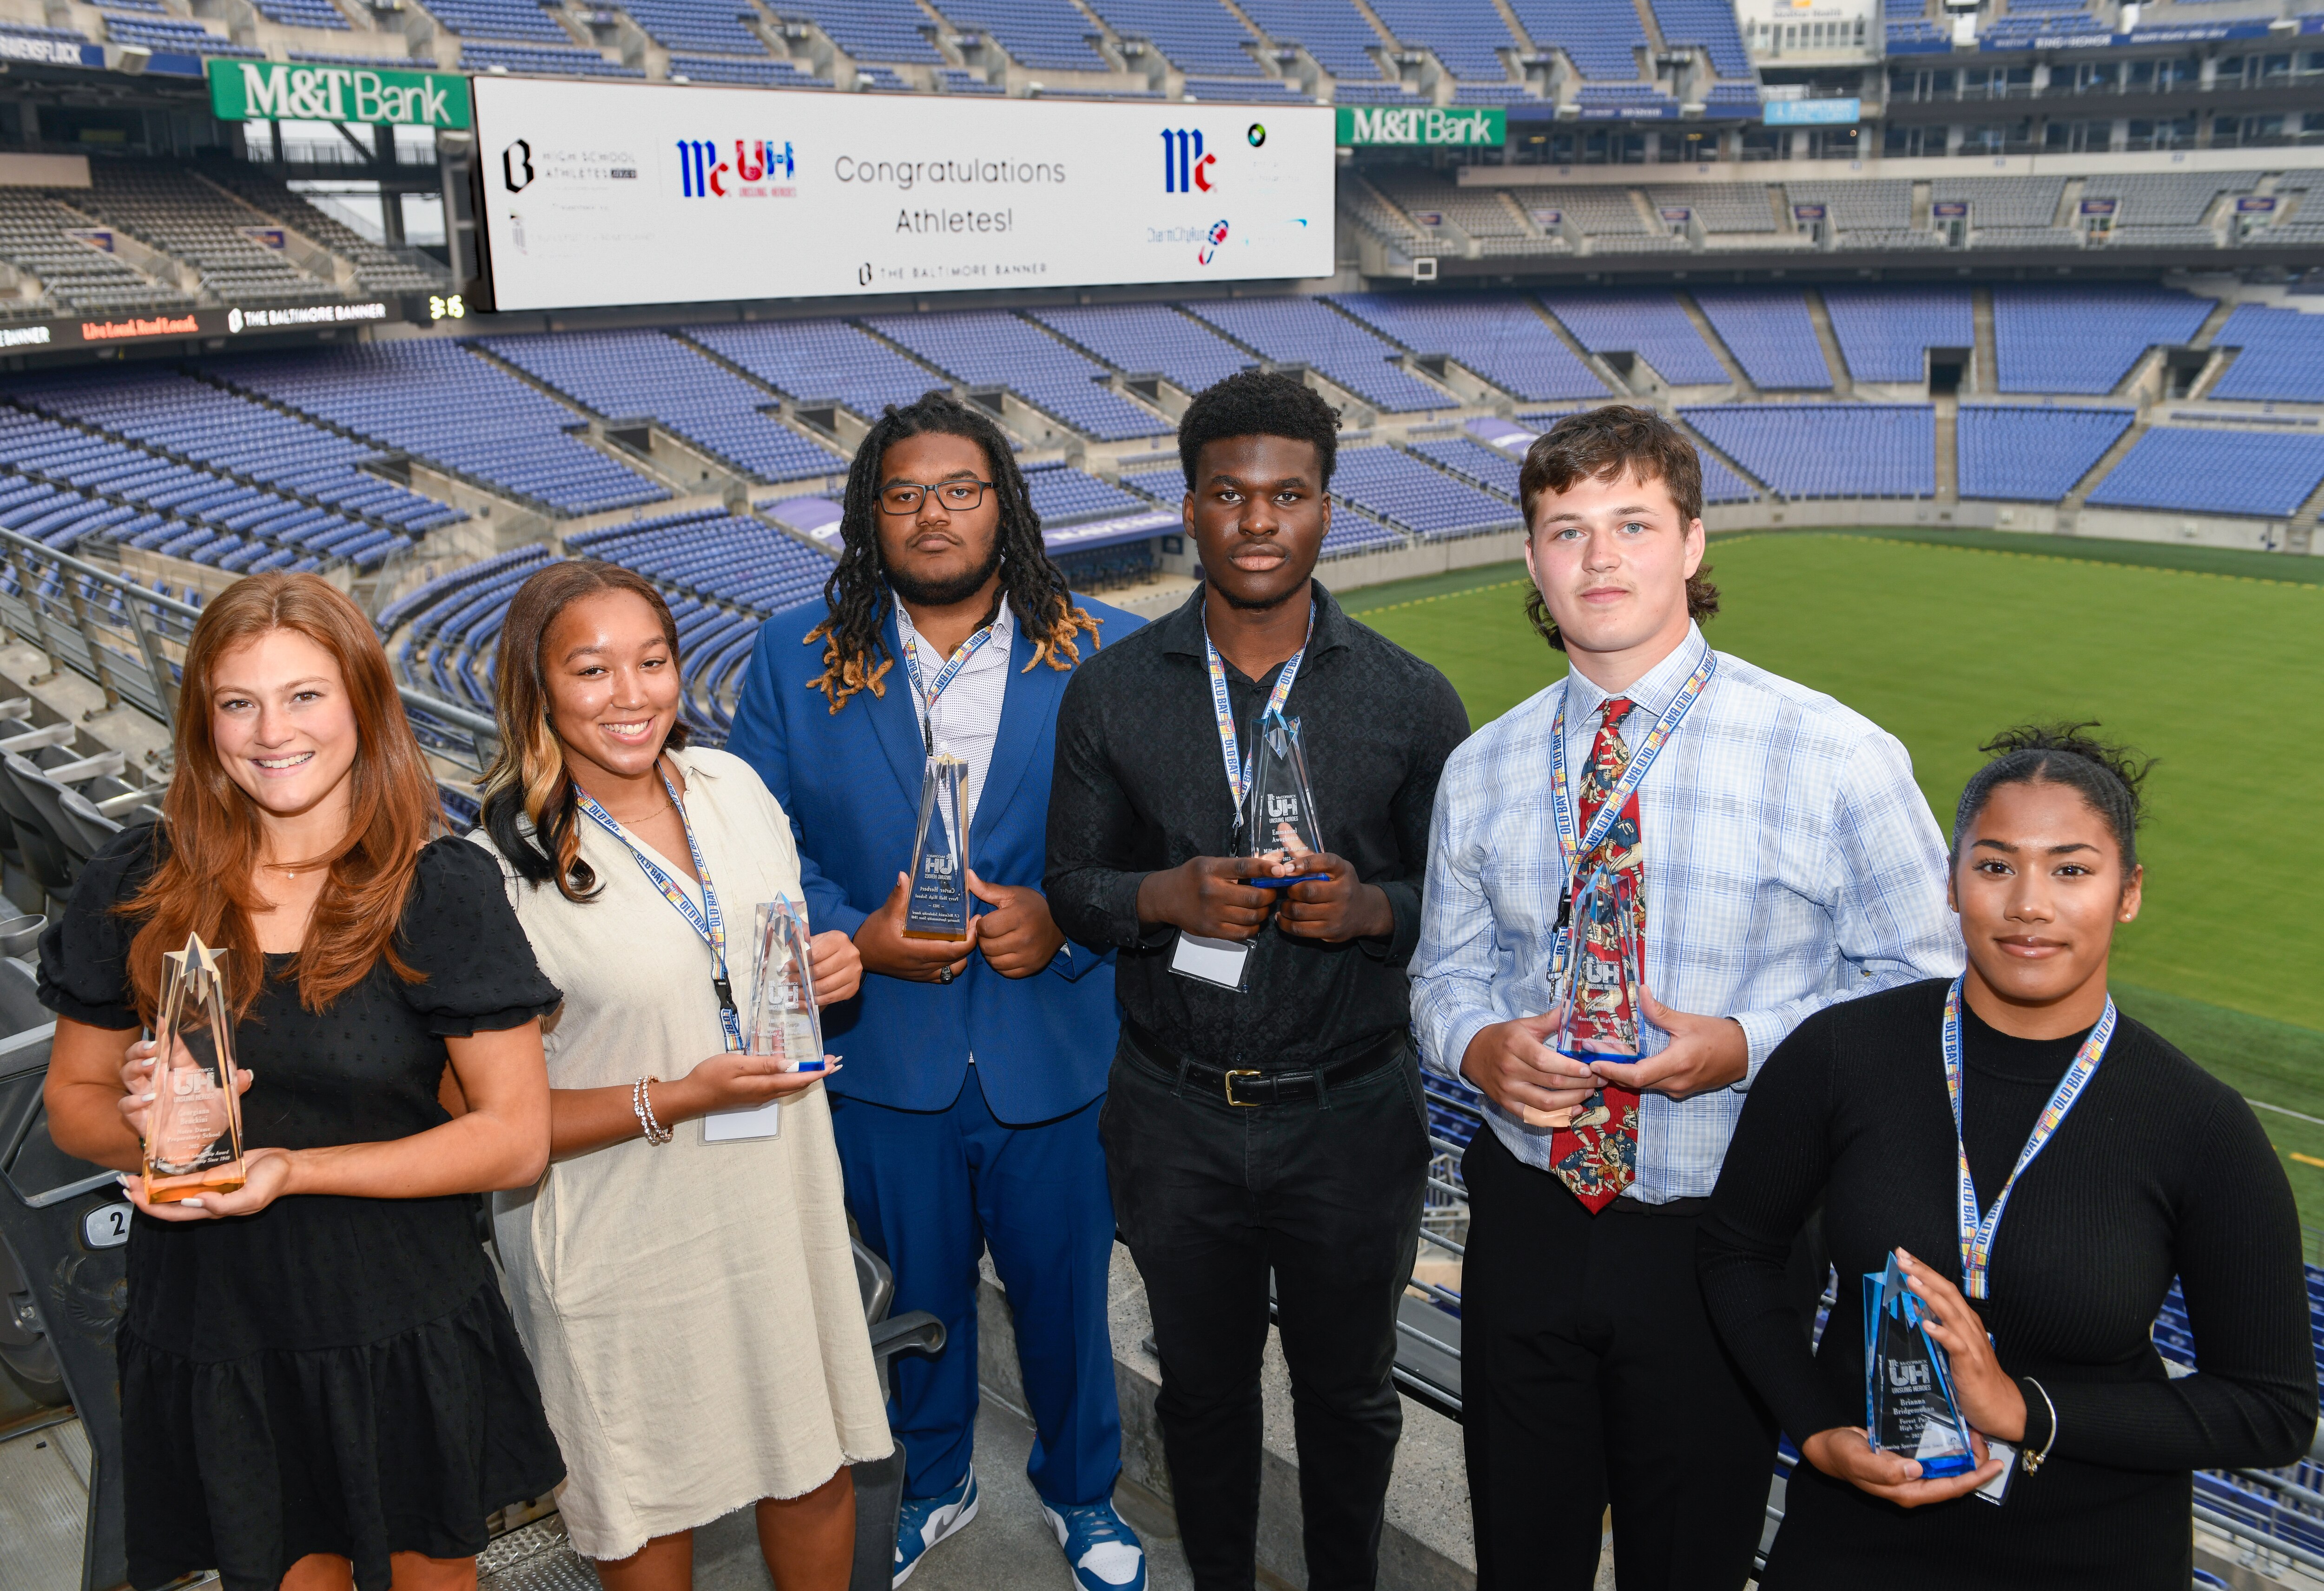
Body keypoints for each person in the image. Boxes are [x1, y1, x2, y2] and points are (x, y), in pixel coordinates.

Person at [1409, 404, 1963, 1591]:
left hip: (1729, 1233)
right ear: (1530, 560)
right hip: (1528, 1210)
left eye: (1631, 523)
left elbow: (1928, 987)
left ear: (1693, 543)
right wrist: (1476, 1044)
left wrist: (1747, 1044)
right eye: (1566, 529)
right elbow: (1440, 973)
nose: (1598, 558)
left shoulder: (1833, 754)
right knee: (1522, 1552)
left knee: (1692, 1563)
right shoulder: (1484, 765)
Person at [38, 572, 565, 1591]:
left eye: (305, 695)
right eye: (239, 701)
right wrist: (149, 1130)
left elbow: (513, 1138)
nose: (270, 730)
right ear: (204, 720)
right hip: (215, 1329)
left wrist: (291, 1166)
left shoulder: (438, 887)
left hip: (397, 1319)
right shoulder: (136, 880)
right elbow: (74, 1105)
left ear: (365, 704)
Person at [1698, 724, 2317, 1588]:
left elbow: (2272, 1407)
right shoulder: (1843, 1054)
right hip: (1857, 1539)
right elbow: (1738, 1250)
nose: (2029, 903)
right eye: (1994, 867)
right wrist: (1813, 1430)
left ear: (2128, 892)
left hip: (2095, 1557)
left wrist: (2026, 1410)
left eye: (2071, 870)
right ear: (1952, 886)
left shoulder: (2199, 1124)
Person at [1046, 368, 1470, 1591]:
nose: (1259, 520)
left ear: (1328, 510)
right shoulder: (1113, 693)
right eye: (1230, 494)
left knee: (1349, 1399)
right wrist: (1163, 898)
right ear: (1191, 509)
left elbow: (1469, 914)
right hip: (1175, 1112)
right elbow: (1072, 883)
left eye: (1288, 494)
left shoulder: (1407, 699)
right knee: (1203, 1395)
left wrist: (1373, 907)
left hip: (1350, 1113)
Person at [724, 390, 1146, 1591]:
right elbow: (753, 843)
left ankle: (1083, 1495)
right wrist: (855, 930)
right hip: (886, 1050)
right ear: (870, 517)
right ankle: (936, 1479)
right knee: (916, 1302)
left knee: (1068, 1304)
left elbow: (1155, 838)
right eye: (903, 494)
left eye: (961, 489)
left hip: (1055, 1047)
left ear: (1003, 504)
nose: (933, 514)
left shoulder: (1103, 646)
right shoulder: (792, 654)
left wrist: (1066, 922)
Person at [469, 560, 891, 1591]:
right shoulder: (492, 864)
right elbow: (484, 1118)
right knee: (647, 1498)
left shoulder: (734, 787)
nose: (633, 693)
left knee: (811, 1455)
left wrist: (831, 967)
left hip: (772, 1199)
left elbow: (760, 962)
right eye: (592, 669)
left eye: (651, 661)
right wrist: (677, 1095)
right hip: (618, 1235)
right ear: (538, 687)